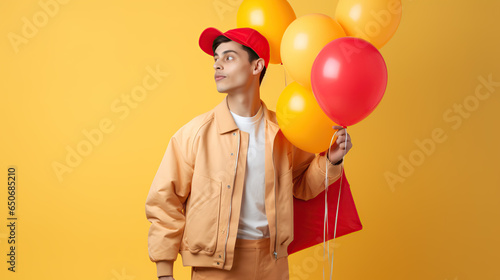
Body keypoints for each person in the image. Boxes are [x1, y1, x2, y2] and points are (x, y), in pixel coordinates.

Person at [145, 27, 353, 280]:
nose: (217, 65)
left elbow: (302, 187)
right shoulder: (194, 134)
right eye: (216, 59)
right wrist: (164, 271)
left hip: (272, 264)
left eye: (229, 57)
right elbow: (164, 201)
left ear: (257, 67)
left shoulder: (284, 132)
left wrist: (332, 160)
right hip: (215, 267)